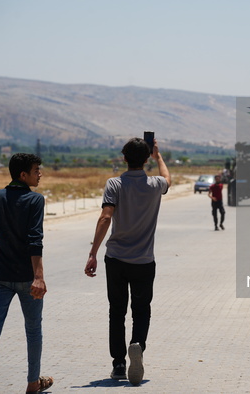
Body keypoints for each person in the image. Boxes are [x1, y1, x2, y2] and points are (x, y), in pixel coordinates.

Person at [85, 137, 170, 385]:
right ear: (145, 159)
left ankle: (119, 364)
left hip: (116, 259)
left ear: (124, 158)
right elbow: (169, 180)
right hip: (144, 260)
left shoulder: (114, 184)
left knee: (117, 312)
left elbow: (105, 217)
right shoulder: (155, 184)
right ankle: (138, 345)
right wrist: (159, 157)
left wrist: (93, 253)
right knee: (141, 310)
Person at [0, 153, 53, 394]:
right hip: (28, 278)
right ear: (23, 174)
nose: (40, 173)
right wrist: (39, 277)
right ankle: (31, 383)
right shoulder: (34, 200)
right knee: (33, 329)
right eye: (36, 169)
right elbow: (35, 240)